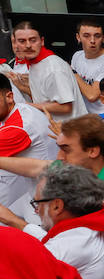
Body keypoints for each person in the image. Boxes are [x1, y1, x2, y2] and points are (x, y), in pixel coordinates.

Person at [0, 114, 104, 208]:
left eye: (66, 149)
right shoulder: (83, 165)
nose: (59, 157)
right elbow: (36, 168)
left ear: (93, 151)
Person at [0, 72, 59, 218]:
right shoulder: (19, 110)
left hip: (44, 201)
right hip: (31, 190)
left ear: (9, 97)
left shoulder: (19, 127)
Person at [5, 20, 79, 122]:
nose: (28, 45)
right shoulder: (34, 63)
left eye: (33, 40)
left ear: (42, 41)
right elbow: (44, 98)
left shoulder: (53, 68)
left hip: (72, 132)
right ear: (15, 43)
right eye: (22, 41)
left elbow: (65, 107)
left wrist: (25, 106)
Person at [70, 19, 104, 116]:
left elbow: (92, 96)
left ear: (103, 38)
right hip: (83, 114)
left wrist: (72, 72)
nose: (92, 41)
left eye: (97, 36)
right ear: (78, 37)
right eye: (86, 36)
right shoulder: (77, 56)